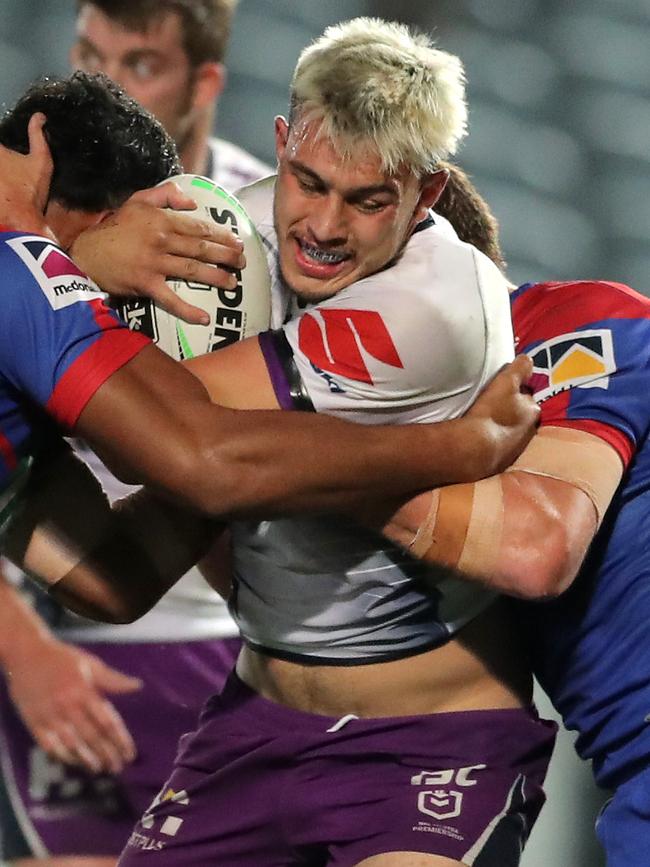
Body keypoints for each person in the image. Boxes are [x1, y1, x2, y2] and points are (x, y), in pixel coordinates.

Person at [0, 68, 538, 867]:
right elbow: (208, 458)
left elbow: (107, 579)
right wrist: (465, 447)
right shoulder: (27, 274)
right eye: (145, 245)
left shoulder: (434, 298)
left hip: (406, 741)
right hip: (280, 725)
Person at [1, 4, 274, 860]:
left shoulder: (277, 225)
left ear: (205, 84)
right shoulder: (29, 250)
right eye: (91, 53)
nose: (112, 81)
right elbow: (205, 458)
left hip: (215, 633)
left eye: (143, 62)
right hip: (76, 643)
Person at [71, 0, 271, 186]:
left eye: (143, 68)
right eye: (90, 57)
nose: (103, 90)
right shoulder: (42, 194)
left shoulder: (264, 217)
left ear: (204, 85)